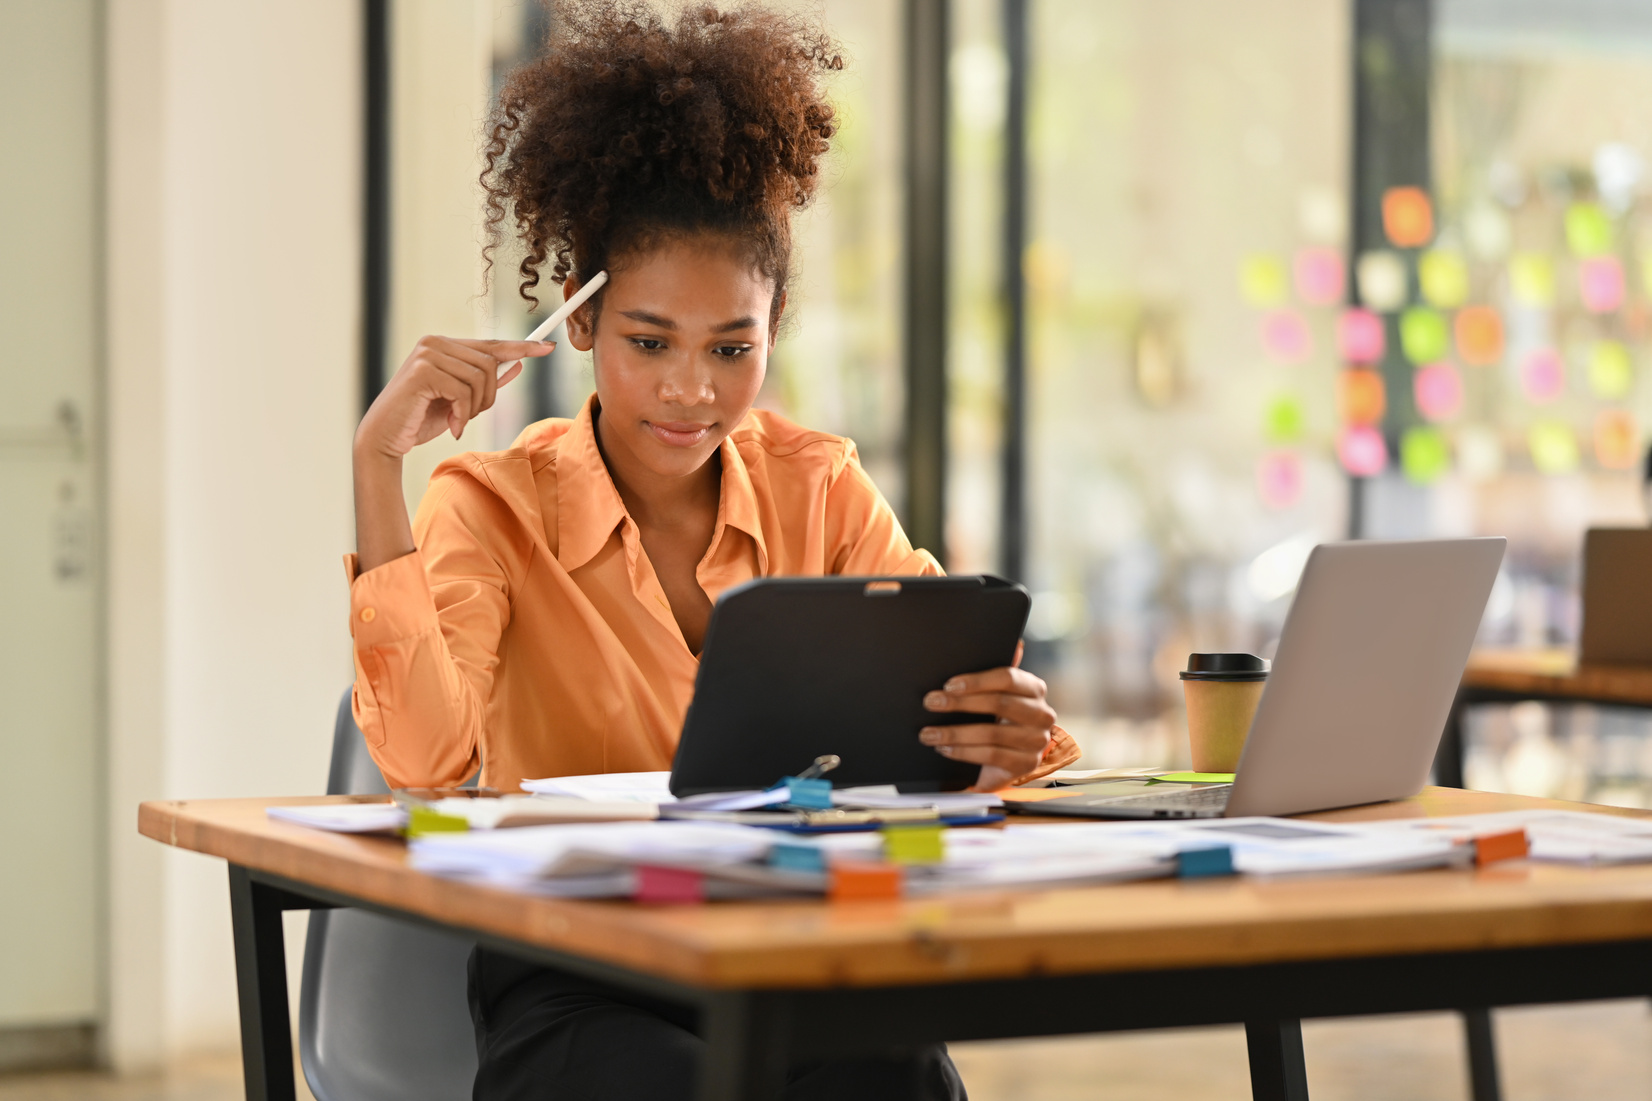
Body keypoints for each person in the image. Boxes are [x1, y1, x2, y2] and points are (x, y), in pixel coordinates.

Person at [345, 3, 1078, 1097]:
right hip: (576, 967)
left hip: (786, 942)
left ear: (774, 325)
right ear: (580, 323)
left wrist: (1011, 728)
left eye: (732, 348)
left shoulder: (817, 486)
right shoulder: (488, 504)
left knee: (902, 1077)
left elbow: (966, 705)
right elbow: (426, 766)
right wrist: (374, 466)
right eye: (649, 343)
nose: (692, 390)